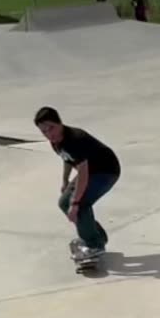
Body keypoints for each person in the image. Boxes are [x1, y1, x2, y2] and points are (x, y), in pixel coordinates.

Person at [34, 106, 121, 261]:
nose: (49, 134)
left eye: (51, 128)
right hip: (90, 171)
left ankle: (94, 245)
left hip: (106, 171)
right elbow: (67, 158)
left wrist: (75, 202)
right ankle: (96, 235)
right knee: (63, 203)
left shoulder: (75, 139)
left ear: (60, 123)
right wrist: (65, 181)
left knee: (79, 204)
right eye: (44, 131)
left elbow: (83, 173)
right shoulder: (55, 141)